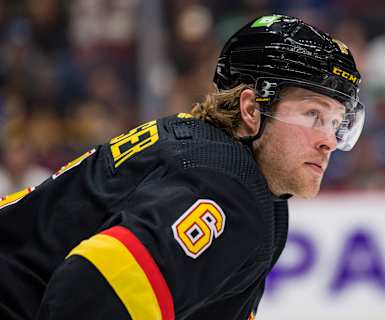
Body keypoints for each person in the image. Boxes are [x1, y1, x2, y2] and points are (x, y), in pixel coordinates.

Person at [0, 14, 364, 320]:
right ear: (251, 109)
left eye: (336, 123)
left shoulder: (226, 170)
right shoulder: (226, 189)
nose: (328, 140)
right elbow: (85, 292)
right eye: (313, 114)